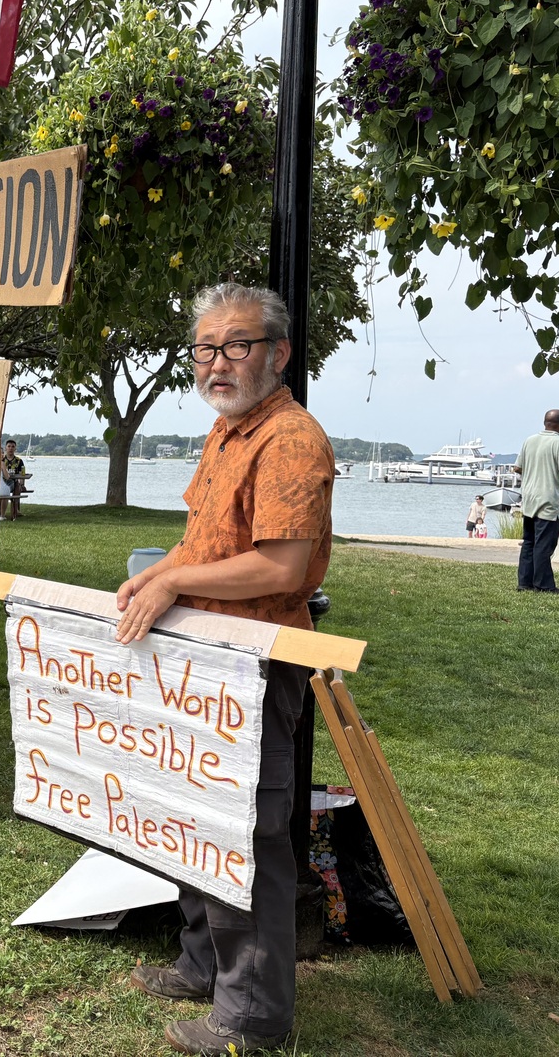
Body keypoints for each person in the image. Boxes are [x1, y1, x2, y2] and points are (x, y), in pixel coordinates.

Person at [115, 283, 333, 1056]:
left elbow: (282, 565)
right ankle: (203, 962)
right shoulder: (224, 432)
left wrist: (175, 582)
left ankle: (253, 1014)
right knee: (192, 819)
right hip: (197, 658)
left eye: (235, 345)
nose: (217, 362)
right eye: (205, 349)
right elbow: (200, 544)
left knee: (247, 833)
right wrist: (155, 576)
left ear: (276, 352)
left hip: (256, 664)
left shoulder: (291, 439)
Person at [511, 409, 559, 593]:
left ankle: (524, 583)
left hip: (530, 499)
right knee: (544, 545)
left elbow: (517, 468)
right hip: (548, 501)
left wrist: (535, 472)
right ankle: (544, 585)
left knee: (529, 541)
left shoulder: (529, 441)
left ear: (544, 422)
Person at [0, 438, 28, 520]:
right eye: (9, 446)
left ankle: (15, 508)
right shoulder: (1, 460)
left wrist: (22, 484)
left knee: (17, 486)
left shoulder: (19, 461)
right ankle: (0, 511)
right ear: (6, 448)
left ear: (15, 448)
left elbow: (22, 474)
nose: (10, 448)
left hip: (12, 482)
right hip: (1, 481)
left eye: (12, 446)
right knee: (3, 490)